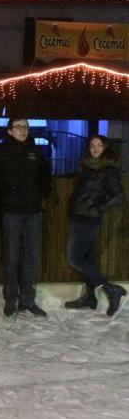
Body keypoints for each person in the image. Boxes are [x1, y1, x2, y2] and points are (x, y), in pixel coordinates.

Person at [0, 118, 51, 317]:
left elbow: (45, 175)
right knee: (11, 258)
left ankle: (28, 300)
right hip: (10, 212)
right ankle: (11, 299)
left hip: (33, 212)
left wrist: (42, 192)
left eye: (25, 127)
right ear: (10, 131)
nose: (23, 130)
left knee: (31, 257)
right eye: (18, 127)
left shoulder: (36, 151)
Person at [65, 135, 126, 317]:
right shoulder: (87, 167)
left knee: (74, 258)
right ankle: (90, 297)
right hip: (78, 216)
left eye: (99, 145)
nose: (95, 148)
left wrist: (98, 209)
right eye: (92, 145)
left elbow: (119, 197)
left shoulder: (108, 170)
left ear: (106, 148)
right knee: (88, 259)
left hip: (88, 219)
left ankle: (111, 289)